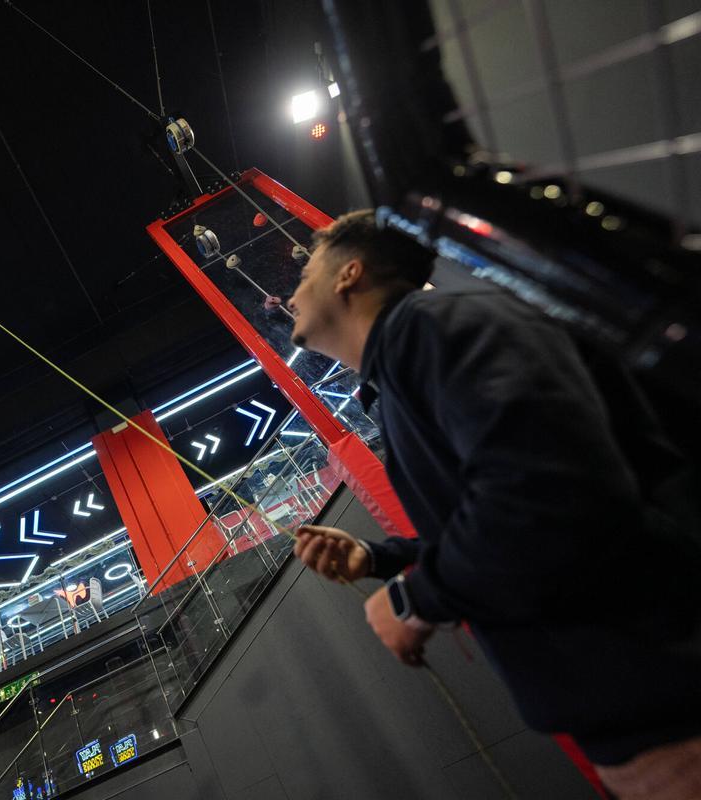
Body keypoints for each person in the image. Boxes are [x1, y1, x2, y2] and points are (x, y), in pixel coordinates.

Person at [286, 209, 701, 798]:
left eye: (307, 271)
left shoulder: (433, 329)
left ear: (348, 274)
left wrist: (414, 599)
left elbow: (548, 495)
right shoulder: (407, 365)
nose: (294, 291)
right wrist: (382, 559)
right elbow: (514, 515)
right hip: (638, 713)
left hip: (669, 704)